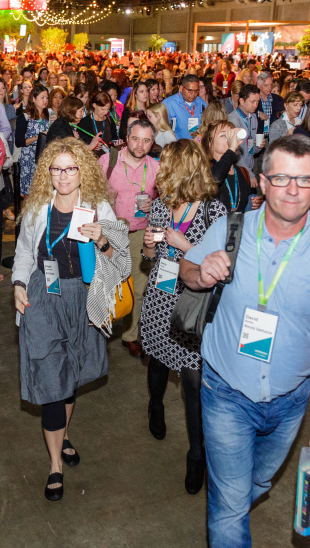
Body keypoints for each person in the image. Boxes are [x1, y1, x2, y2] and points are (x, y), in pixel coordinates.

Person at [179, 134, 310, 547]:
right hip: (227, 394)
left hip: (291, 400)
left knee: (257, 481)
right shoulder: (230, 228)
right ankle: (226, 506)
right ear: (262, 183)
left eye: (305, 180)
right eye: (283, 178)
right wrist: (200, 274)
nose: (293, 189)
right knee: (231, 509)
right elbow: (186, 268)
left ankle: (226, 496)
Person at [12, 137, 130, 502]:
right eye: (56, 168)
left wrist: (104, 242)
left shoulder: (98, 209)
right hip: (44, 298)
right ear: (47, 172)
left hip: (83, 300)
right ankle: (54, 466)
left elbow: (122, 262)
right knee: (50, 379)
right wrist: (17, 283)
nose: (63, 176)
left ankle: (61, 436)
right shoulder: (36, 209)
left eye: (71, 168)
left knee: (71, 375)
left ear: (83, 171)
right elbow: (22, 254)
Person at [140, 139, 228, 496]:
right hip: (161, 298)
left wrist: (183, 245)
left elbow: (221, 266)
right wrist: (149, 245)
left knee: (193, 384)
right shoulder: (161, 207)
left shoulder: (214, 213)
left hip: (193, 306)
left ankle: (196, 454)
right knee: (158, 363)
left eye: (166, 166)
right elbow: (151, 258)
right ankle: (155, 405)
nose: (160, 172)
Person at [99, 119, 158, 356]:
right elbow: (92, 193)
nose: (140, 144)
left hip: (140, 234)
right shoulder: (108, 161)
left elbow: (167, 203)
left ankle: (131, 335)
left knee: (138, 286)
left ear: (153, 142)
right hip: (109, 233)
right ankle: (98, 330)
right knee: (103, 284)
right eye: (135, 138)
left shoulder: (157, 168)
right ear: (126, 137)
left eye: (146, 140)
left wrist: (155, 204)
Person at [202, 120, 264, 213]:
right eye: (223, 135)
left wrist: (255, 203)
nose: (229, 139)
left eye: (230, 135)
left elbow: (245, 205)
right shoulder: (205, 171)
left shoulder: (242, 172)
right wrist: (231, 149)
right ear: (210, 145)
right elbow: (215, 178)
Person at [15, 84, 50, 196]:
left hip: (44, 157)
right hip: (29, 158)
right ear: (33, 99)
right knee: (28, 195)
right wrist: (38, 137)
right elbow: (19, 142)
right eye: (42, 97)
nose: (45, 101)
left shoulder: (48, 115)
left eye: (47, 98)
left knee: (43, 193)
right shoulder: (25, 117)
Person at [227, 84, 265, 188]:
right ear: (242, 101)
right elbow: (235, 152)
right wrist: (249, 174)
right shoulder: (233, 120)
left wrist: (258, 146)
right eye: (252, 101)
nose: (255, 105)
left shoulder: (253, 117)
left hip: (248, 167)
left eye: (257, 101)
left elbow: (251, 149)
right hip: (236, 170)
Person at [163, 74, 207, 140]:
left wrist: (200, 130)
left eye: (196, 91)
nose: (193, 94)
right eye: (190, 91)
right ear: (181, 88)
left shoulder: (201, 103)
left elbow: (208, 124)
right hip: (178, 147)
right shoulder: (168, 104)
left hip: (197, 146)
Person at [78, 91, 118, 158]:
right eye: (103, 109)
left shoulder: (110, 120)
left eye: (107, 109)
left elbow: (114, 139)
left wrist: (116, 143)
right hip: (92, 159)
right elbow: (80, 145)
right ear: (94, 105)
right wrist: (92, 145)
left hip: (108, 159)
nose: (105, 112)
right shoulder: (84, 122)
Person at [256, 71, 284, 138]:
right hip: (258, 136)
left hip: (273, 137)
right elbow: (245, 112)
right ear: (258, 85)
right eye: (266, 85)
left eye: (271, 85)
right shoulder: (253, 99)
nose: (269, 88)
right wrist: (258, 114)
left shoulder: (278, 99)